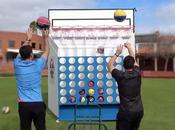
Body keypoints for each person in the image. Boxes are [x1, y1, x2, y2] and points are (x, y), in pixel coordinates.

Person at [13, 28, 49, 130]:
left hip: (24, 105)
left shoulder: (17, 64)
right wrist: (45, 38)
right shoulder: (38, 64)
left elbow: (21, 52)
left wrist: (28, 39)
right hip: (38, 104)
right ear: (32, 55)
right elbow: (47, 51)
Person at [107, 43, 144, 130]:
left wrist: (117, 53)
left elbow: (110, 66)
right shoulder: (138, 73)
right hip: (139, 111)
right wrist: (129, 47)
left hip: (126, 113)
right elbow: (133, 59)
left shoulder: (121, 76)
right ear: (133, 65)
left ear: (123, 65)